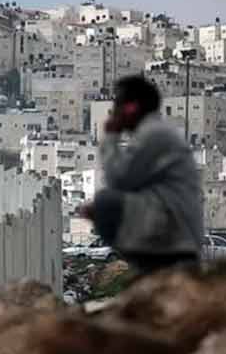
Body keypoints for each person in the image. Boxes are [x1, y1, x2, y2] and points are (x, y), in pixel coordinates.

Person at [80, 75, 203, 275]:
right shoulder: (156, 131)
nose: (115, 112)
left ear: (131, 107)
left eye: (118, 105)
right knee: (102, 207)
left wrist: (111, 136)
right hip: (173, 225)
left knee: (105, 204)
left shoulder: (153, 134)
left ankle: (152, 268)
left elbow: (118, 180)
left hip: (176, 234)